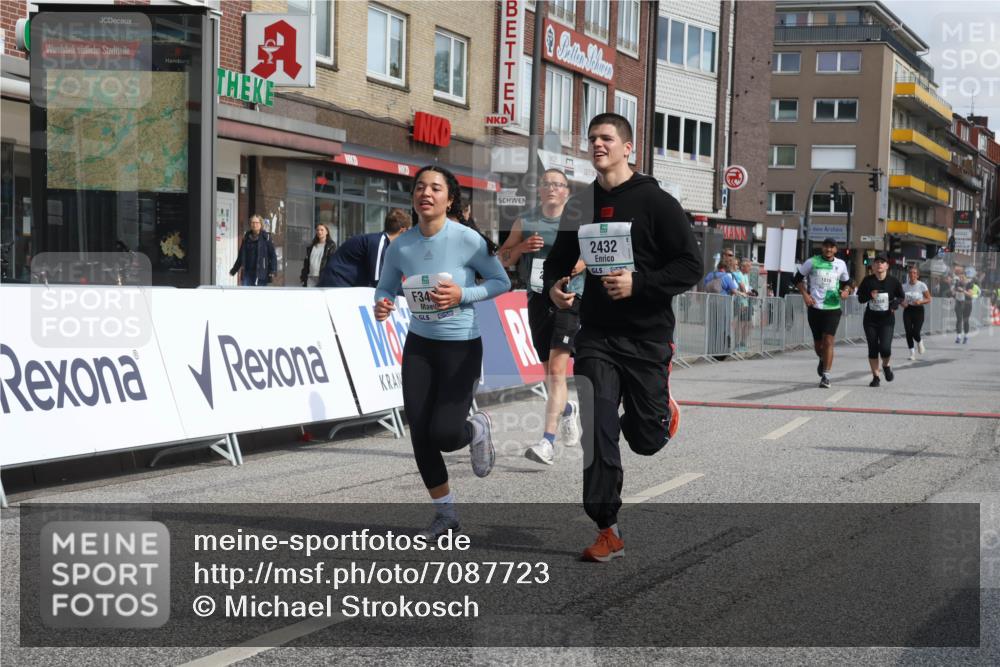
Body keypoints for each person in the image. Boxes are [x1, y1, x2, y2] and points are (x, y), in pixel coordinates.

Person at [544, 112, 702, 562]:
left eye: (607, 138)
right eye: (592, 138)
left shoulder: (657, 202)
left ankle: (658, 412)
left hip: (647, 336)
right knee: (598, 428)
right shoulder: (580, 204)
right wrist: (555, 287)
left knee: (645, 440)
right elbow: (558, 260)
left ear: (627, 147)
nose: (597, 144)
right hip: (596, 335)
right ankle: (607, 526)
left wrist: (639, 283)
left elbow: (690, 265)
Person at [373, 165, 510, 541]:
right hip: (419, 346)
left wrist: (463, 295)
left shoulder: (467, 240)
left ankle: (477, 428)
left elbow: (502, 281)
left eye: (435, 188)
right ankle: (446, 514)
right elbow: (385, 287)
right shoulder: (401, 245)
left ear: (450, 200)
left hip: (461, 346)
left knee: (446, 434)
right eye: (420, 187)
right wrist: (383, 304)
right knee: (420, 434)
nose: (426, 193)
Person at [497, 169, 583, 465]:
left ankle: (547, 442)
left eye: (557, 184)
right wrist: (521, 247)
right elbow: (502, 259)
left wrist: (565, 274)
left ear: (566, 192)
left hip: (568, 298)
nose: (551, 188)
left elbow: (588, 257)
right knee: (549, 373)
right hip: (536, 300)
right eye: (546, 183)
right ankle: (568, 409)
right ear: (539, 190)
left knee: (557, 371)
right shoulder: (526, 220)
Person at [794, 238, 851, 388]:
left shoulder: (841, 264)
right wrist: (805, 295)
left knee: (828, 341)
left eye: (832, 247)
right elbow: (796, 279)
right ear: (822, 248)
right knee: (819, 346)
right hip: (815, 308)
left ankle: (826, 376)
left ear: (836, 250)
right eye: (826, 246)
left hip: (832, 308)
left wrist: (845, 291)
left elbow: (847, 283)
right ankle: (822, 359)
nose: (829, 250)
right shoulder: (812, 262)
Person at [320, 208, 410, 288]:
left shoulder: (384, 244)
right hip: (336, 285)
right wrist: (408, 292)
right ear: (403, 231)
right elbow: (378, 281)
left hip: (343, 285)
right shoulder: (379, 242)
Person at [856, 254, 905, 387]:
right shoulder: (868, 280)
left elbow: (901, 296)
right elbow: (860, 298)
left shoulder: (893, 281)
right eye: (876, 262)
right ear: (873, 266)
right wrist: (869, 295)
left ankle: (886, 365)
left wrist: (895, 304)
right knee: (873, 348)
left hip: (887, 320)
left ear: (887, 266)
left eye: (882, 262)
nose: (879, 265)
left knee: (885, 348)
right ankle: (876, 377)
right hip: (870, 320)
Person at [230, 214, 277, 286]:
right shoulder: (246, 238)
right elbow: (241, 256)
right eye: (252, 222)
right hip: (247, 272)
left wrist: (273, 270)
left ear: (261, 224)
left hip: (261, 273)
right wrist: (234, 270)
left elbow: (273, 255)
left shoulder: (266, 238)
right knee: (247, 294)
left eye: (256, 223)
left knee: (259, 295)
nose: (254, 225)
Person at [902, 265, 931, 360]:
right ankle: (912, 353)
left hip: (918, 310)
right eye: (910, 273)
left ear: (917, 275)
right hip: (908, 310)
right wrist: (903, 304)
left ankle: (919, 342)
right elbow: (900, 299)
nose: (912, 274)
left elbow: (929, 299)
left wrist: (920, 301)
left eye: (914, 273)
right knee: (908, 332)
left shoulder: (922, 285)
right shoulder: (904, 286)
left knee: (915, 332)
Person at [951, 265, 973, 344]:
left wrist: (963, 290)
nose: (961, 279)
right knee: (959, 319)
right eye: (960, 277)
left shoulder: (970, 283)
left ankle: (966, 336)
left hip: (967, 303)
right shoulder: (957, 283)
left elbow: (970, 294)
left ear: (965, 277)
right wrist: (953, 291)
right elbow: (953, 292)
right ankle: (958, 336)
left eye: (962, 277)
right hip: (959, 303)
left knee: (965, 320)